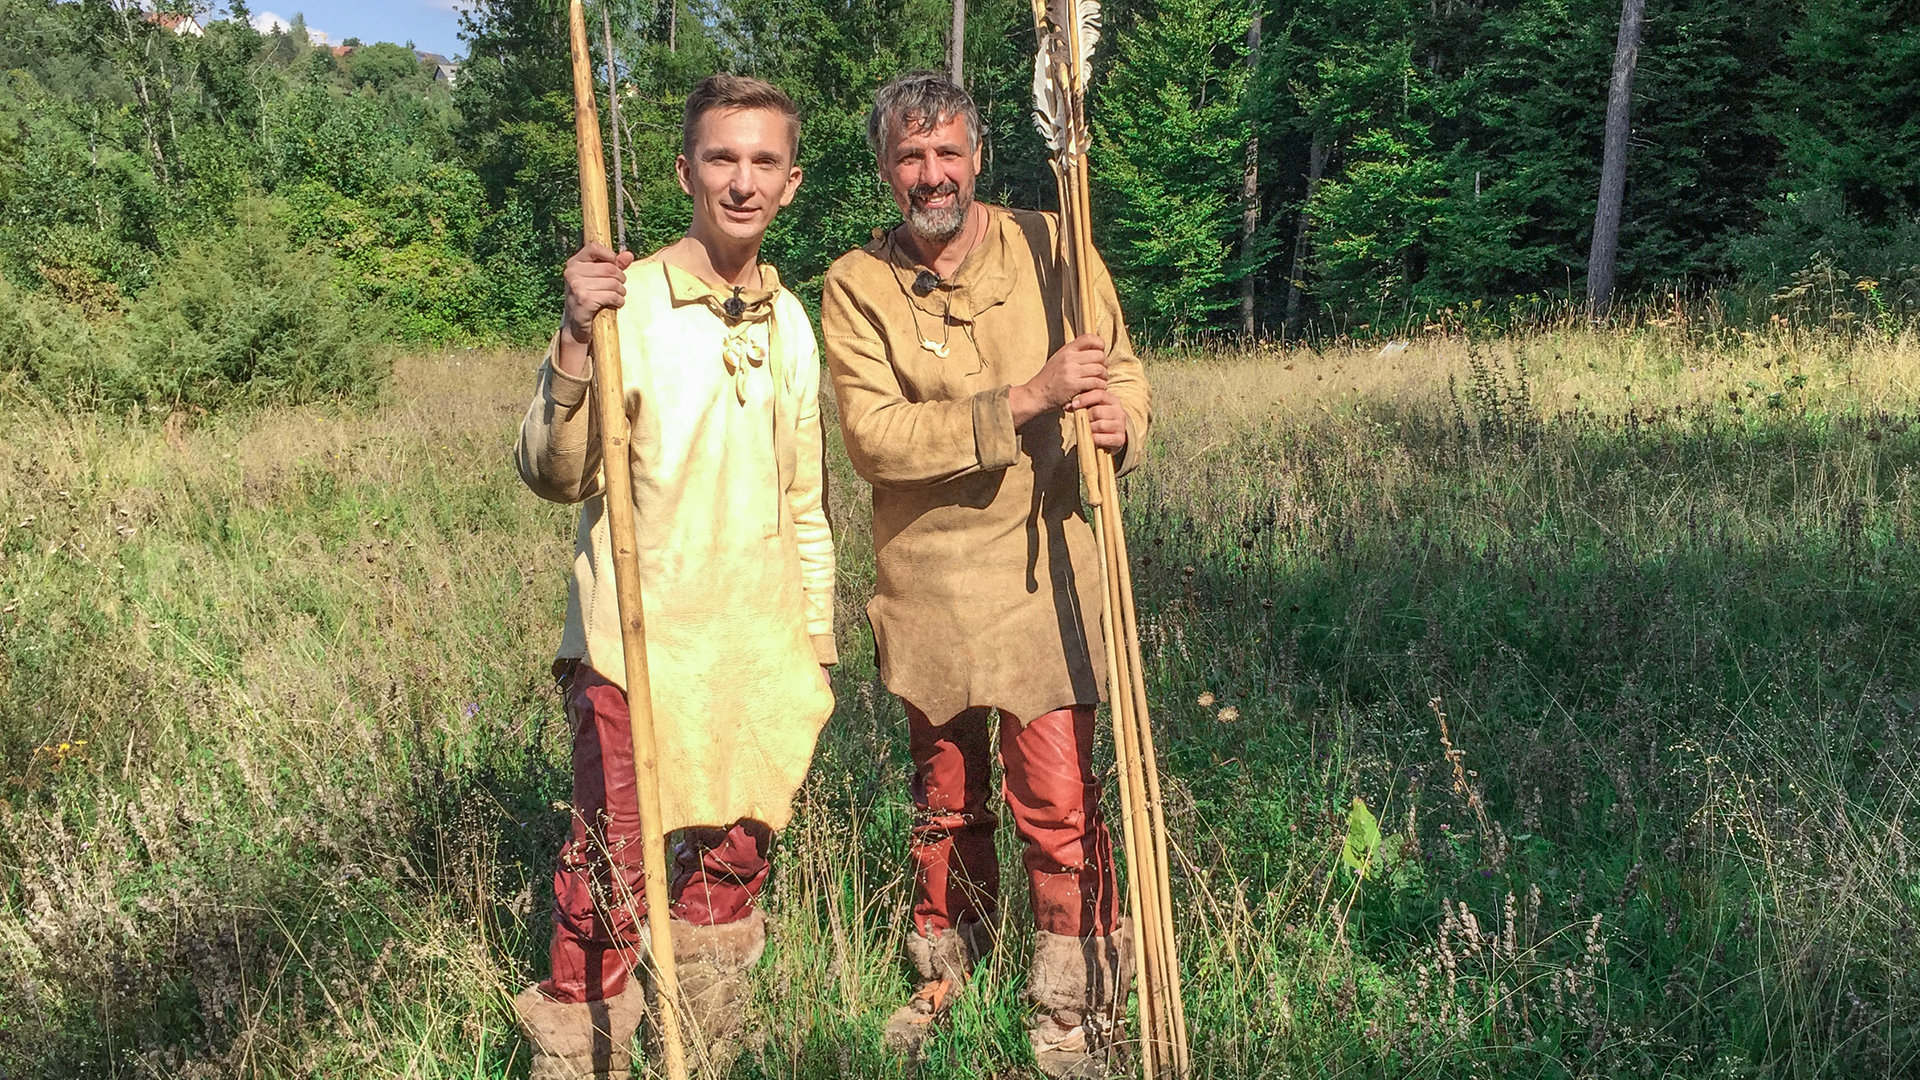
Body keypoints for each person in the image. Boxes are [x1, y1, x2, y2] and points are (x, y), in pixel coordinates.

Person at [820, 72, 1150, 1077]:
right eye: (911, 157)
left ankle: (1074, 1004)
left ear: (977, 157)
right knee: (946, 800)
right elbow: (875, 438)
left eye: (947, 153)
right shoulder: (854, 284)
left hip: (1045, 575)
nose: (932, 175)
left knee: (1057, 801)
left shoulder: (1054, 243)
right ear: (886, 169)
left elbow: (1124, 371)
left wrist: (1117, 421)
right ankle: (946, 972)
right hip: (925, 586)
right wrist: (1026, 400)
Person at [511, 73, 836, 1080]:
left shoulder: (790, 324)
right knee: (611, 873)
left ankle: (700, 1053)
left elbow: (804, 504)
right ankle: (587, 1058)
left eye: (764, 161)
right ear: (687, 170)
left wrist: (815, 645)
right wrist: (574, 336)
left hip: (755, 648)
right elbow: (553, 474)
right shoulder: (625, 299)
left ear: (791, 182)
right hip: (635, 646)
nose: (742, 181)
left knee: (734, 858)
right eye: (722, 158)